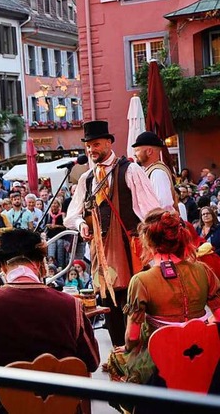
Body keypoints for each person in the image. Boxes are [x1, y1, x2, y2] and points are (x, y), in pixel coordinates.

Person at [0, 229, 100, 413]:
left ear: (3, 267)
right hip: (62, 408)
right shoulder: (72, 305)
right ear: (39, 264)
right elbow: (92, 361)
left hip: (3, 409)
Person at [107, 209, 220, 412]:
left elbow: (132, 337)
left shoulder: (141, 281)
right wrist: (199, 330)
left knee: (115, 360)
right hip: (205, 355)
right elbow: (219, 316)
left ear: (148, 242)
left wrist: (127, 347)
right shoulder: (203, 271)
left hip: (160, 362)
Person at [65, 120, 161, 346]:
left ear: (109, 143)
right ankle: (119, 351)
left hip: (130, 250)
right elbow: (71, 214)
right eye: (88, 146)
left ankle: (138, 352)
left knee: (133, 300)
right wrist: (81, 224)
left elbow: (152, 210)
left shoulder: (131, 170)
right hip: (100, 253)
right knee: (108, 302)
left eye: (96, 144)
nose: (91, 150)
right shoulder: (86, 178)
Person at [132, 131, 178, 212]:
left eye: (137, 150)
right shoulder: (152, 171)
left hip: (158, 223)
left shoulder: (157, 173)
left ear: (149, 151)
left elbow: (164, 205)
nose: (135, 154)